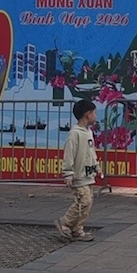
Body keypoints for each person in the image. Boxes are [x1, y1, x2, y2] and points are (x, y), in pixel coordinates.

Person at [56, 98, 99, 243]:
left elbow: (91, 152)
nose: (95, 116)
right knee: (83, 201)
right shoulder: (75, 133)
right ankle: (65, 222)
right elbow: (69, 153)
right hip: (79, 176)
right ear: (87, 114)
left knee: (87, 203)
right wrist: (68, 172)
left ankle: (77, 228)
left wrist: (96, 166)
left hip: (88, 175)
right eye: (94, 113)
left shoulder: (88, 132)